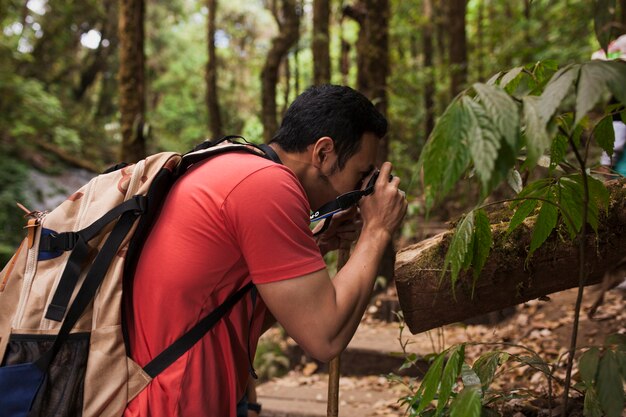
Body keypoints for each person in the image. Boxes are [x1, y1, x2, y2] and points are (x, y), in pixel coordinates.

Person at [123, 84, 408, 417]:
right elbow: (324, 337)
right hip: (173, 402)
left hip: (162, 395)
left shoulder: (237, 164)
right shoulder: (267, 185)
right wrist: (377, 230)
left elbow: (243, 315)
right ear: (323, 153)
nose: (360, 191)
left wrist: (318, 243)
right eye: (360, 175)